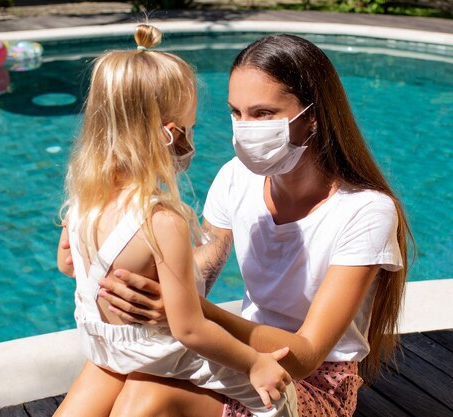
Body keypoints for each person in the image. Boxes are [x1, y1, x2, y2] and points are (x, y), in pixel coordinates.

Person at [91, 34, 412, 417]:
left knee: (147, 397)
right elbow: (204, 264)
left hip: (312, 383)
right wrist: (129, 274)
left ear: (312, 116)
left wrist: (187, 312)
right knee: (111, 371)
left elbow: (307, 355)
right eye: (236, 112)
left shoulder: (366, 212)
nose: (244, 128)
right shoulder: (235, 177)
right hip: (244, 355)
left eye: (262, 114)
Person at [55, 24, 300, 417]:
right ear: (170, 134)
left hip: (108, 351)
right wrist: (256, 363)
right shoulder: (162, 221)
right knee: (278, 404)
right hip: (166, 358)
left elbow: (68, 264)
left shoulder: (84, 202)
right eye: (190, 128)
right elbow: (189, 329)